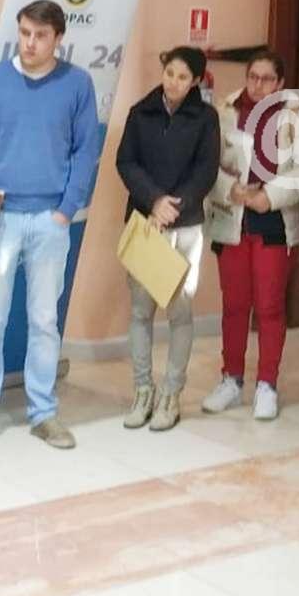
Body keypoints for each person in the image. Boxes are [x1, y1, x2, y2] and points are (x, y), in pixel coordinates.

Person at [0, 0, 98, 452]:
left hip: (50, 219)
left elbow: (86, 151)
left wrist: (67, 208)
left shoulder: (77, 84)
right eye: (25, 33)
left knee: (45, 320)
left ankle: (43, 412)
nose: (30, 43)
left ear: (58, 39)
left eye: (40, 36)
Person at [202, 49, 299, 422]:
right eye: (253, 77)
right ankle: (231, 379)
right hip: (232, 217)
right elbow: (207, 161)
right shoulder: (224, 112)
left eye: (267, 79)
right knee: (235, 305)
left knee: (269, 307)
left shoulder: (298, 119)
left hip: (274, 222)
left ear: (280, 83)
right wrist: (230, 189)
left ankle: (267, 383)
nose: (258, 85)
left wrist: (269, 196)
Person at [116, 46, 220, 432]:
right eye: (169, 73)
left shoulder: (205, 118)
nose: (173, 82)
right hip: (146, 224)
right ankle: (143, 390)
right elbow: (126, 162)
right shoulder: (140, 113)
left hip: (185, 225)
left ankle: (171, 393)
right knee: (141, 312)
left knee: (180, 312)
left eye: (182, 77)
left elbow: (206, 170)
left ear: (195, 81)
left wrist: (174, 205)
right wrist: (154, 200)